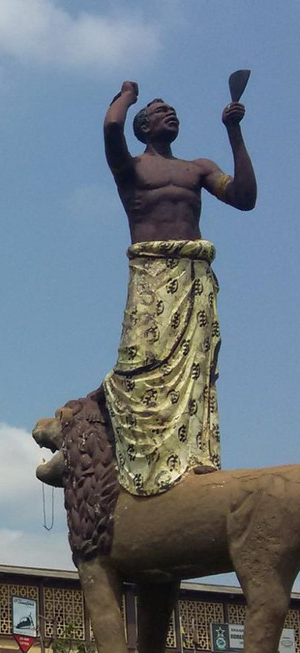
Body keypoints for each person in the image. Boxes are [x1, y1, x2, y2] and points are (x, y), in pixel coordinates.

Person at [101, 80, 256, 496]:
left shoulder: (198, 168)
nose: (171, 113)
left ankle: (194, 455)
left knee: (195, 367)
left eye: (173, 110)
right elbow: (111, 127)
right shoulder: (130, 167)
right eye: (160, 110)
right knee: (141, 362)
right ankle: (142, 457)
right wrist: (127, 95)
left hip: (193, 278)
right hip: (151, 274)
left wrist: (233, 132)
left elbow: (244, 197)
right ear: (144, 125)